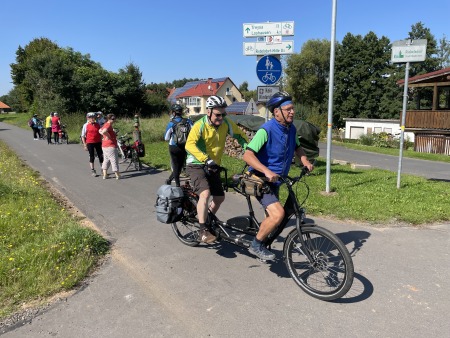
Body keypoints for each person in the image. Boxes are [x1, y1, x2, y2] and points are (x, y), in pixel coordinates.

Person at [242, 92, 314, 260]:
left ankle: (265, 239)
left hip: (277, 180)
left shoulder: (291, 129)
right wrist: (266, 171)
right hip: (261, 179)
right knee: (277, 214)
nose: (292, 112)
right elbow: (248, 155)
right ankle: (256, 245)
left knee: (277, 214)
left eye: (292, 108)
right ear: (276, 112)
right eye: (288, 109)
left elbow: (297, 147)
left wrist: (305, 161)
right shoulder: (266, 130)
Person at [185, 95, 248, 243]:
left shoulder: (226, 123)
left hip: (213, 165)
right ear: (209, 112)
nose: (221, 118)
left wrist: (250, 150)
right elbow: (189, 145)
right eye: (218, 114)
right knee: (205, 194)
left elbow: (240, 136)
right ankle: (202, 231)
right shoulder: (200, 125)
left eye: (223, 114)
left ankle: (206, 219)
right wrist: (205, 159)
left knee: (219, 198)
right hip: (196, 164)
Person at [164, 104, 193, 187]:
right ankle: (169, 179)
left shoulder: (171, 123)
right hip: (184, 146)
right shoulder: (188, 121)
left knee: (175, 165)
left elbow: (166, 138)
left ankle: (177, 185)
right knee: (180, 165)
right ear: (181, 112)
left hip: (174, 146)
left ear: (173, 113)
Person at [81, 112, 104, 177]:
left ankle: (103, 169)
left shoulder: (98, 124)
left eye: (94, 117)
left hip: (98, 142)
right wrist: (85, 145)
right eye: (91, 118)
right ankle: (93, 170)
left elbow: (101, 133)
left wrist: (102, 140)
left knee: (101, 156)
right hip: (90, 142)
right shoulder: (85, 125)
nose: (93, 119)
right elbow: (83, 136)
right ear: (88, 118)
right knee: (92, 156)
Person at [99, 114, 120, 180]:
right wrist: (108, 136)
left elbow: (99, 130)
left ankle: (105, 174)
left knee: (106, 160)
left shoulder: (105, 124)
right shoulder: (108, 124)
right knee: (114, 160)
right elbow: (104, 131)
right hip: (110, 146)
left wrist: (104, 136)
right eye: (113, 119)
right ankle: (117, 174)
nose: (114, 120)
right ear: (109, 119)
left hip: (105, 145)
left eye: (114, 119)